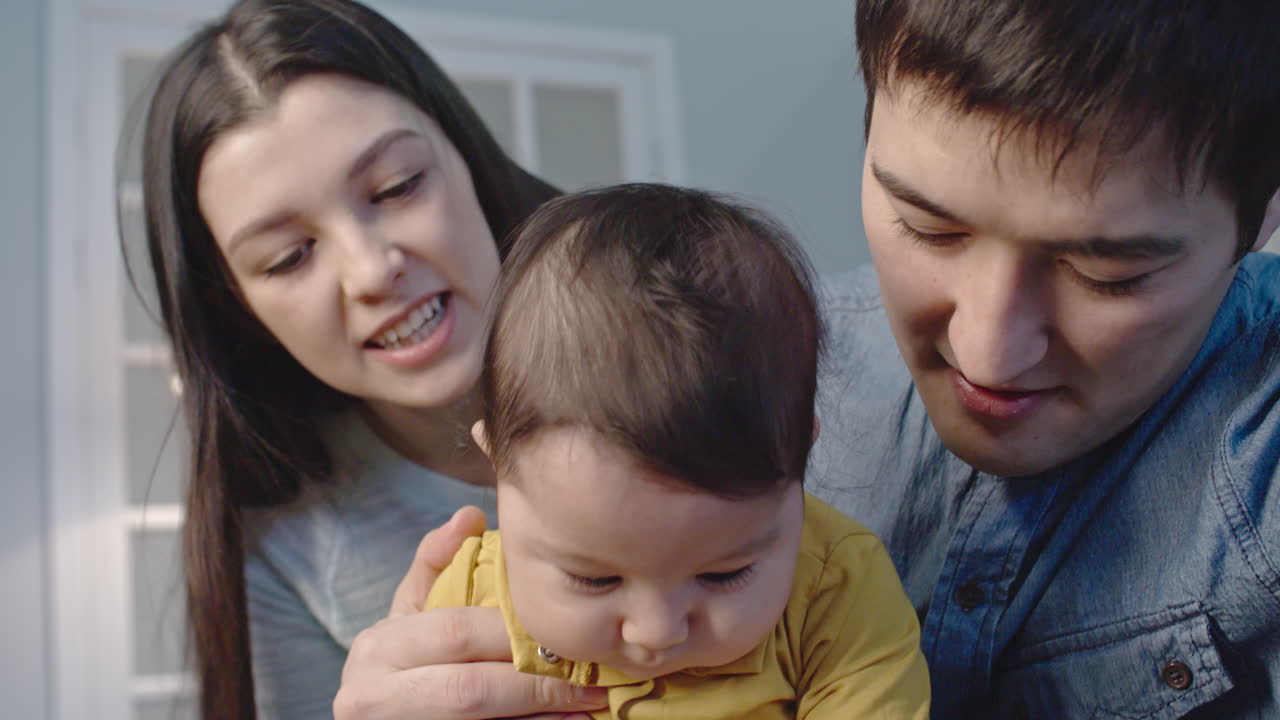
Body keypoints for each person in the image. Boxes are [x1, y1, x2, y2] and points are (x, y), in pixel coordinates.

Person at [335, 0, 1280, 718]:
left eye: (1106, 273)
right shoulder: (739, 355)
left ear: (1261, 220)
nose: (988, 347)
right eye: (928, 225)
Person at [126, 0, 582, 718]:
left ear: (464, 152)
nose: (372, 270)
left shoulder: (773, 336)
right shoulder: (283, 559)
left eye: (398, 187)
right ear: (240, 311)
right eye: (287, 257)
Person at [423, 183, 930, 719]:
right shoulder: (469, 592)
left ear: (798, 459)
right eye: (595, 579)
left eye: (723, 575)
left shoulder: (837, 589)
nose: (656, 633)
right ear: (498, 468)